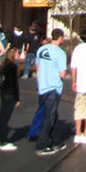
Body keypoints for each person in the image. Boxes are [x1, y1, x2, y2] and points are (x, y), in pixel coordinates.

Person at [35, 27, 67, 156]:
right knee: (49, 117)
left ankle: (57, 141)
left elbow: (37, 67)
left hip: (42, 85)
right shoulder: (60, 53)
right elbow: (62, 74)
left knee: (52, 114)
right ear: (60, 38)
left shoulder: (41, 49)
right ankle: (41, 145)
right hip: (53, 87)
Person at [0, 46, 20, 151]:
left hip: (4, 93)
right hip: (10, 94)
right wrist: (17, 98)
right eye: (17, 54)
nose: (18, 55)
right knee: (5, 117)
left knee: (2, 116)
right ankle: (3, 140)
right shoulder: (12, 66)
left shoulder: (5, 65)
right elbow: (14, 83)